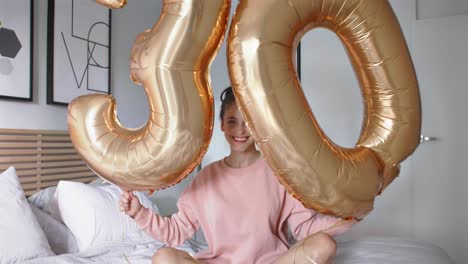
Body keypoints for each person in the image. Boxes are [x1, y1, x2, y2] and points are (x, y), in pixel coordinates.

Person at [119, 87, 357, 264]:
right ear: (222, 125)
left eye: (248, 122)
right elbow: (175, 232)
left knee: (324, 245)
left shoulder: (280, 173)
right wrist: (139, 212)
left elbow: (304, 227)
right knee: (163, 257)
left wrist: (351, 215)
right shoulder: (206, 179)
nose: (240, 130)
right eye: (232, 121)